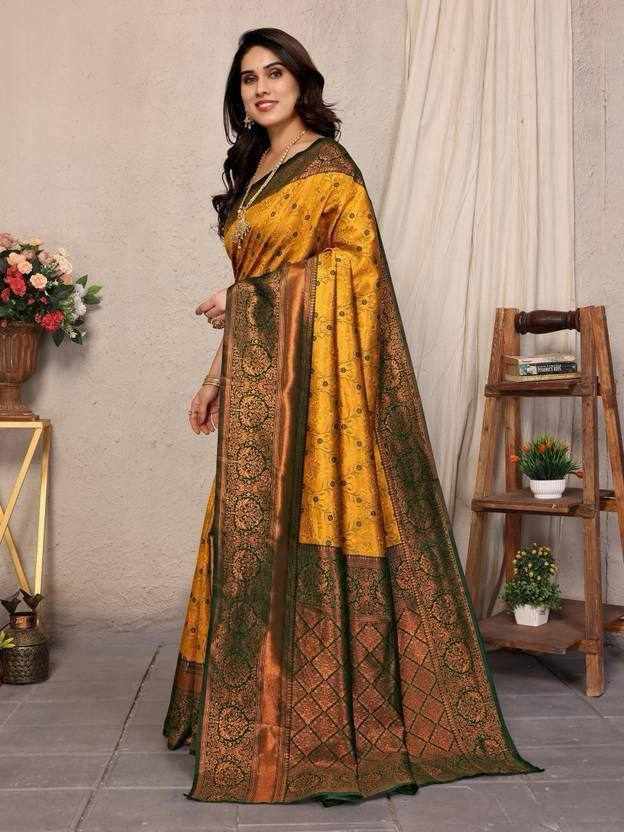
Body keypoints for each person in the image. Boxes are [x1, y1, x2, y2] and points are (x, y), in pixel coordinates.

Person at [163, 26, 543, 806]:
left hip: (321, 400)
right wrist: (215, 375)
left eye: (274, 73)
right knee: (251, 537)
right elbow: (258, 282)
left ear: (301, 82)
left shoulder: (331, 170)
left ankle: (320, 712)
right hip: (262, 394)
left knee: (313, 522)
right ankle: (252, 709)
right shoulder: (255, 171)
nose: (261, 88)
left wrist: (245, 300)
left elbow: (353, 274)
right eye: (247, 79)